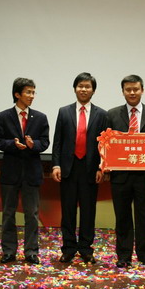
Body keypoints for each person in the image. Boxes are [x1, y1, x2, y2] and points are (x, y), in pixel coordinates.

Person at [107, 75, 145, 268]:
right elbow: (106, 144)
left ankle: (144, 255)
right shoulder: (112, 114)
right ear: (123, 91)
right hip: (120, 176)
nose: (132, 93)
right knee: (122, 216)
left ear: (142, 90)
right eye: (128, 89)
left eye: (136, 89)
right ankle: (123, 255)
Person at [51, 72, 108, 264]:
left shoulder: (102, 114)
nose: (84, 89)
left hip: (91, 169)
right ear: (75, 88)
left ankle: (85, 248)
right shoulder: (64, 111)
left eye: (87, 86)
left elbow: (104, 144)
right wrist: (56, 164)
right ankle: (68, 248)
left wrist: (101, 167)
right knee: (67, 211)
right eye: (80, 86)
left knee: (88, 211)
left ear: (93, 90)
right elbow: (58, 141)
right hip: (68, 167)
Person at [0, 77, 49, 264]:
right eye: (28, 92)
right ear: (17, 94)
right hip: (10, 172)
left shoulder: (40, 117)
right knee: (8, 213)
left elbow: (45, 142)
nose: (32, 96)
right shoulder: (3, 116)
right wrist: (13, 144)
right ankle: (9, 251)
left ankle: (31, 251)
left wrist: (34, 145)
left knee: (32, 214)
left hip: (32, 172)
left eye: (33, 92)